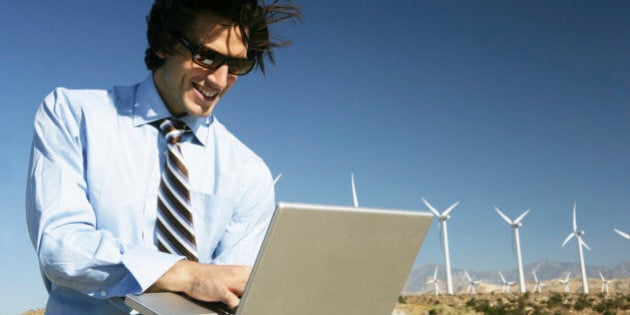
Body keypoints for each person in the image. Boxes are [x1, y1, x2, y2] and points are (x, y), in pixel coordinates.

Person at [25, 1, 301, 314]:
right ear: (164, 43)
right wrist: (184, 274)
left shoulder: (249, 172)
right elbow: (61, 248)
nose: (220, 81)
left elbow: (232, 289)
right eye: (207, 56)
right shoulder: (72, 115)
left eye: (236, 66)